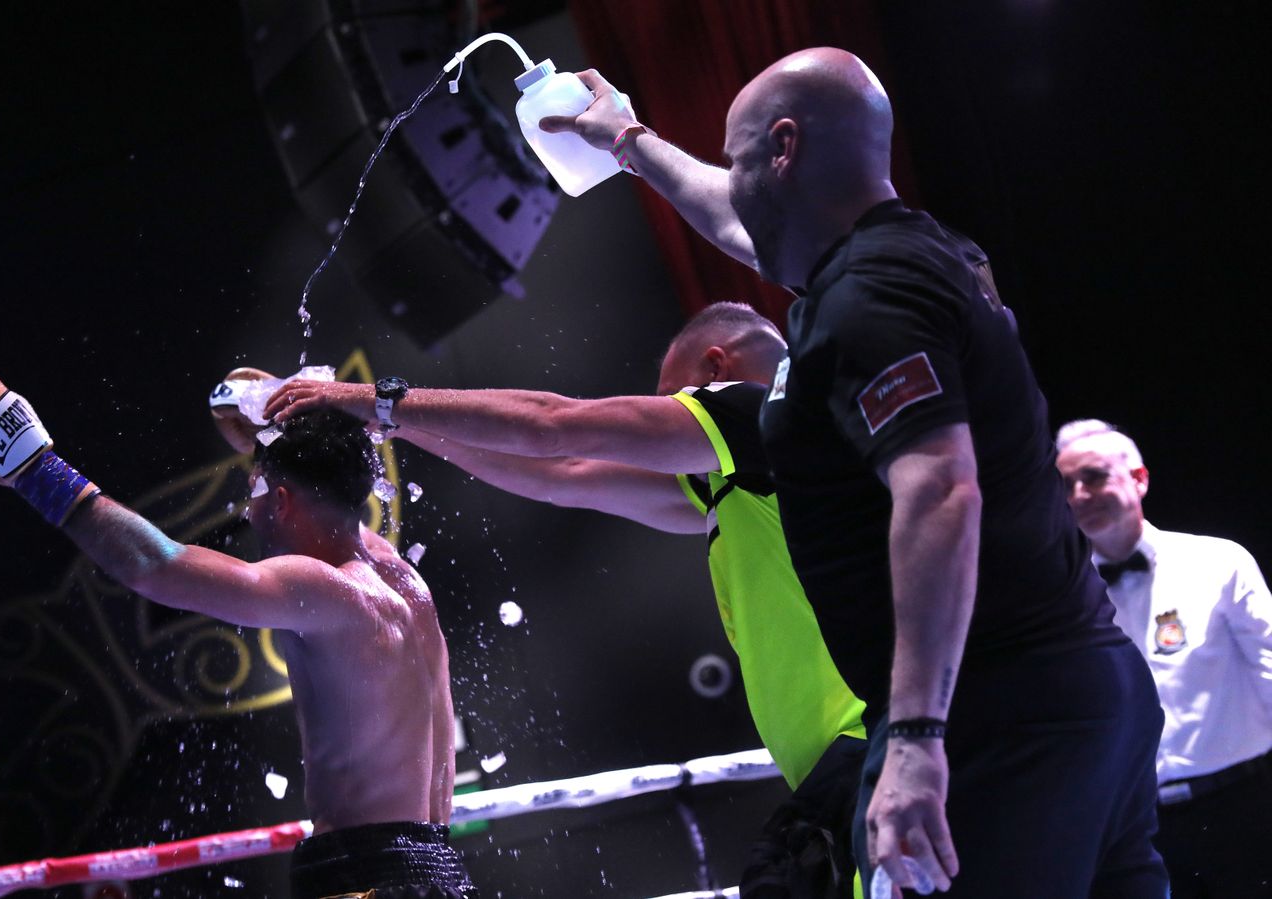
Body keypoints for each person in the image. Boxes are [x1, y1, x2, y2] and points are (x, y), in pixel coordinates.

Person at [529, 47, 1169, 896]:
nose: (732, 178)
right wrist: (629, 141)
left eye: (737, 155)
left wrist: (913, 737)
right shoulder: (902, 258)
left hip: (998, 714)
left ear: (783, 149)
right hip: (1079, 690)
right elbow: (735, 221)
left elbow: (940, 491)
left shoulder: (869, 296)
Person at [265, 302, 868, 898]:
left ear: (715, 370)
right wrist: (397, 424)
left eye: (673, 398)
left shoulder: (756, 413)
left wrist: (374, 399)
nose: (667, 418)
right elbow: (560, 473)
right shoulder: (745, 480)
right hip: (840, 764)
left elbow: (552, 425)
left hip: (868, 750)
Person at [0, 370, 477, 899]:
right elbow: (322, 471)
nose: (251, 511)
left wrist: (32, 467)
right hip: (439, 875)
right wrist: (265, 419)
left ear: (279, 499)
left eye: (257, 491)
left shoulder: (325, 589)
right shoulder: (402, 580)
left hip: (365, 879)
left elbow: (156, 566)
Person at [1056, 419, 1272, 896]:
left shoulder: (1219, 563)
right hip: (1128, 824)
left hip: (1240, 806)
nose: (1078, 494)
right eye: (1066, 484)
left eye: (1092, 476)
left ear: (1139, 478)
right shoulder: (1063, 597)